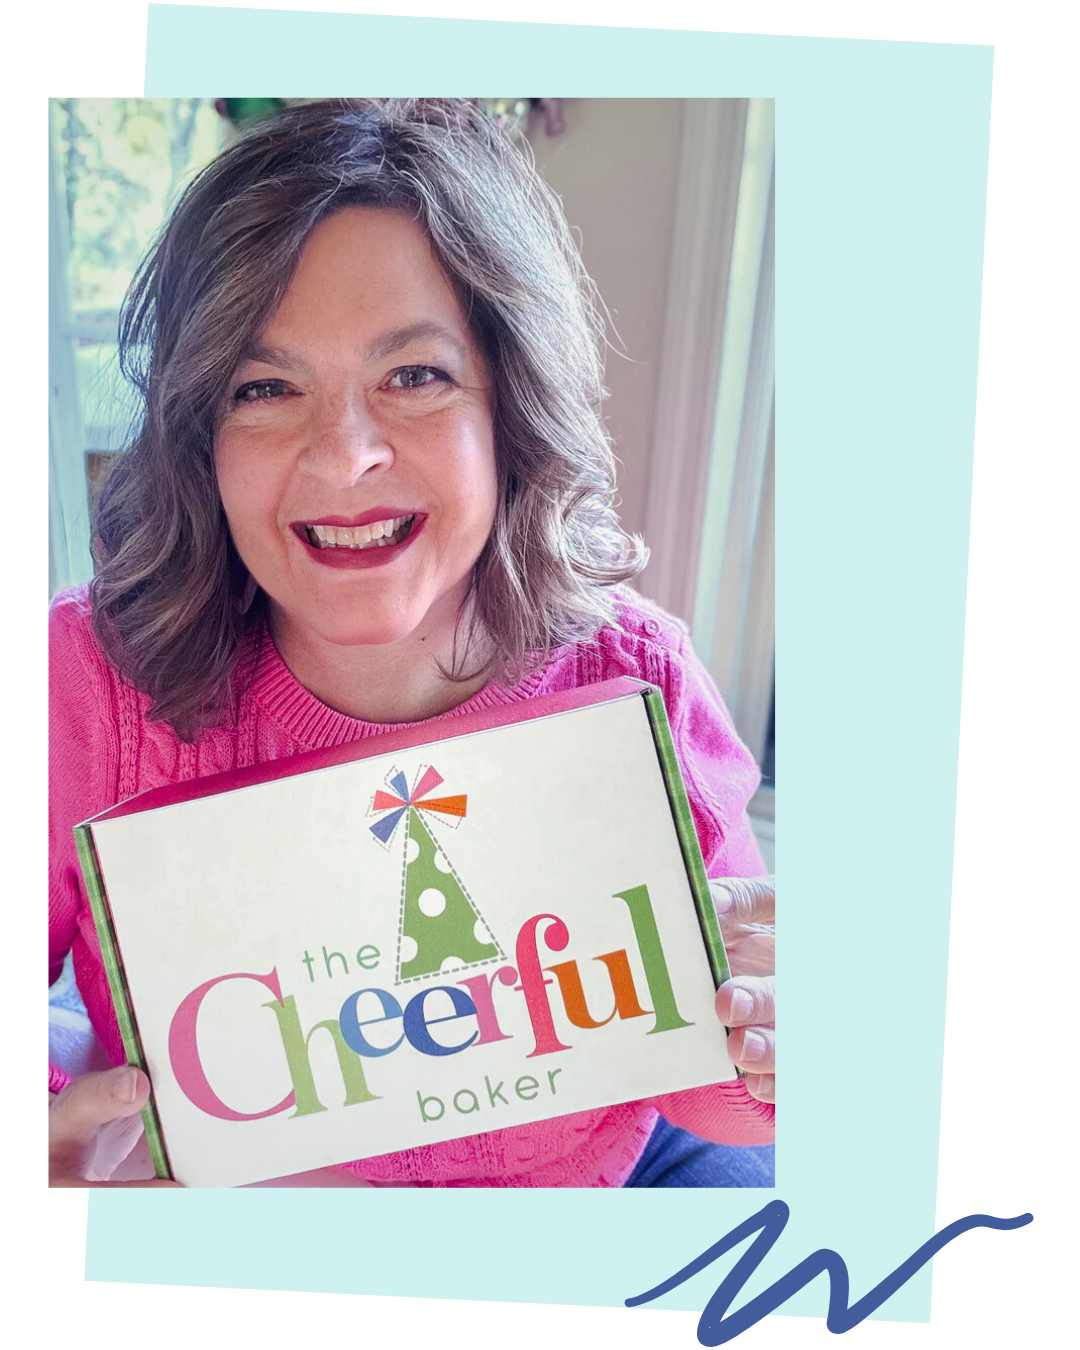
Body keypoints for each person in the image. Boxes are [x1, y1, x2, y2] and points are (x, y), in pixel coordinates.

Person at [48, 98, 775, 1188]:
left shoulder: (640, 675)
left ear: (510, 404)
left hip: (604, 1175)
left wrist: (767, 1039)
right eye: (265, 387)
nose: (344, 458)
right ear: (200, 433)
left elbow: (724, 1087)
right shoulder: (90, 685)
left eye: (415, 375)